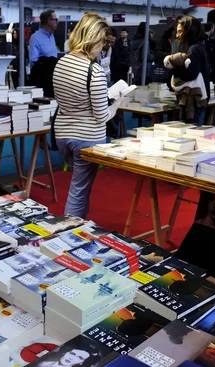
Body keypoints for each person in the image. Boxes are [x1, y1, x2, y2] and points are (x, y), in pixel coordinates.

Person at [52, 13, 124, 219]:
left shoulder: (61, 62)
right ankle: (70, 233)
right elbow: (101, 115)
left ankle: (78, 227)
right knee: (79, 190)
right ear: (94, 39)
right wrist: (117, 103)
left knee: (78, 186)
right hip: (87, 136)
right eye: (102, 42)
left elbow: (63, 99)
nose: (102, 47)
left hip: (63, 134)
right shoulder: (94, 71)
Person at [169, 16, 210, 124]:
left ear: (189, 31)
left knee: (191, 130)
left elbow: (191, 73)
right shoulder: (198, 47)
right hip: (195, 98)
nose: (177, 35)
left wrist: (173, 68)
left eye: (180, 32)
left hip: (193, 100)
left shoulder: (194, 49)